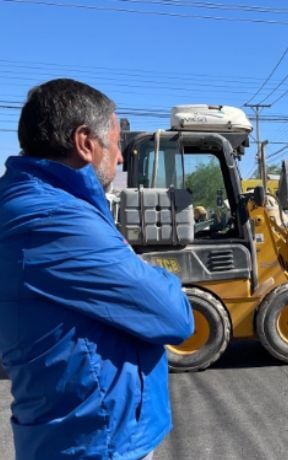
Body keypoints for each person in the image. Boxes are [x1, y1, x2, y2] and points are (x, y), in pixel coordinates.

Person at [0, 79, 194, 460]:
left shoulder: (36, 204)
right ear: (85, 142)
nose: (120, 157)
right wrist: (152, 272)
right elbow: (174, 316)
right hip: (94, 440)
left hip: (77, 430)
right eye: (116, 142)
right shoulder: (56, 219)